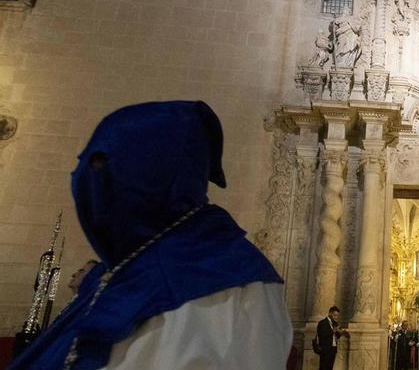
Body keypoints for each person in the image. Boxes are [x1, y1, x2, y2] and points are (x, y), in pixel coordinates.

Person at [9, 100, 292, 370]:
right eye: (88, 165)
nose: (85, 181)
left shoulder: (230, 283)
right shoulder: (122, 269)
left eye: (102, 166)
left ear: (155, 173)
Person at [317, 306, 348, 370]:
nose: (336, 317)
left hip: (333, 349)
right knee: (323, 368)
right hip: (325, 349)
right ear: (330, 313)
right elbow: (322, 335)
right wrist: (333, 330)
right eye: (335, 315)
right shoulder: (322, 323)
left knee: (330, 368)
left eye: (337, 316)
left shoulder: (335, 323)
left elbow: (335, 336)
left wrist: (340, 333)